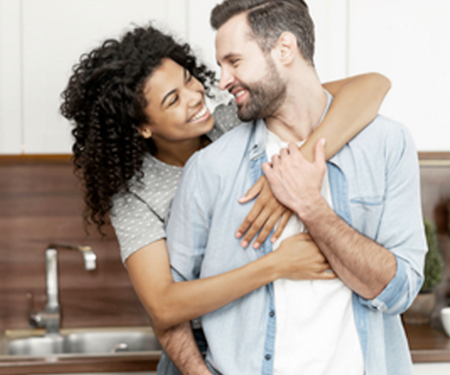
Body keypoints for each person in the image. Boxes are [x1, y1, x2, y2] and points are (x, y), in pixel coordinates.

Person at [60, 23, 391, 375]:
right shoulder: (136, 197)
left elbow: (372, 86)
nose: (195, 97)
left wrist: (294, 172)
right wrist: (276, 265)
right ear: (142, 126)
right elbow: (164, 306)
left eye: (189, 79)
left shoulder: (236, 121)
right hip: (202, 352)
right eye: (172, 100)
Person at [166, 1, 427, 374]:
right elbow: (171, 307)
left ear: (284, 49)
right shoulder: (211, 168)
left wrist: (311, 206)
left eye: (234, 62)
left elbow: (399, 291)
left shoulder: (386, 144)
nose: (221, 81)